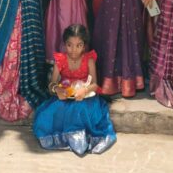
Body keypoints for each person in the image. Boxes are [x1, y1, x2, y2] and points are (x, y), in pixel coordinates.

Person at [33, 24, 116, 155]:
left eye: (79, 45)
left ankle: (79, 139)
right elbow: (52, 83)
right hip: (66, 95)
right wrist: (57, 90)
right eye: (69, 45)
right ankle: (67, 138)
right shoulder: (60, 60)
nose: (74, 50)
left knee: (79, 109)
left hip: (85, 98)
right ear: (64, 44)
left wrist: (84, 90)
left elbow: (95, 84)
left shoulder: (89, 60)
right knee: (48, 114)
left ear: (84, 46)